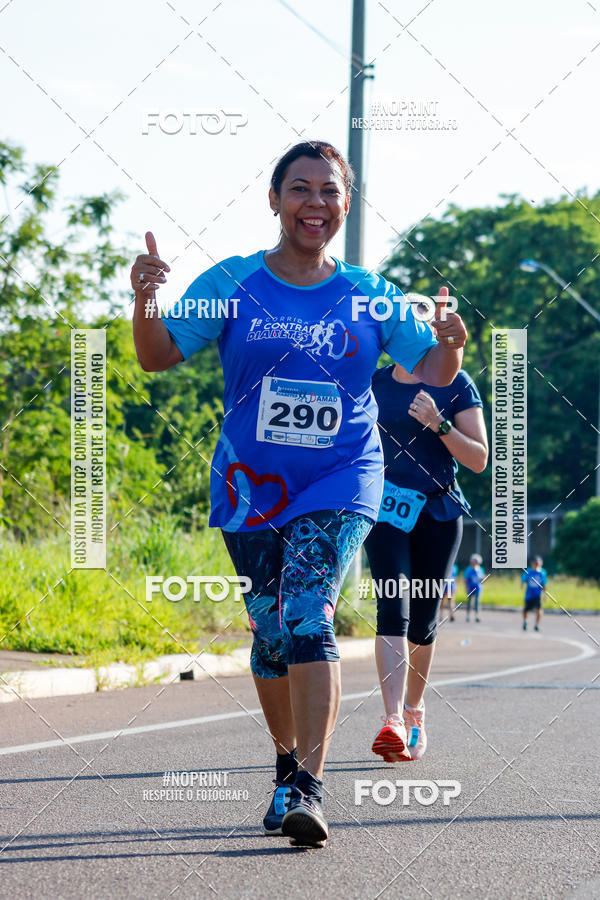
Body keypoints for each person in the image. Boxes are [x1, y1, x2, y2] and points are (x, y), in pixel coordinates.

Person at [130, 140, 468, 846]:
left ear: (346, 203)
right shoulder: (232, 282)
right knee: (270, 630)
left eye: (330, 191)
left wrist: (452, 343)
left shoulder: (371, 293)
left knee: (309, 612)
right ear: (275, 199)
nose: (316, 203)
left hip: (342, 474)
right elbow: (157, 356)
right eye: (301, 189)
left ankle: (310, 786)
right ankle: (286, 766)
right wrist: (146, 299)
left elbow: (436, 370)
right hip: (250, 484)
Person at [364, 363, 487, 763]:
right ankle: (392, 720)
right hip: (386, 514)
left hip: (438, 514)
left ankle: (414, 710)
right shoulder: (373, 381)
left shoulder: (456, 383)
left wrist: (439, 423)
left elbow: (479, 459)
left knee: (423, 621)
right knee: (392, 609)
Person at [522, 556, 547, 631]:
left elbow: (544, 584)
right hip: (529, 594)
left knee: (539, 609)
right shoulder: (529, 571)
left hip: (537, 594)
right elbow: (523, 579)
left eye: (537, 563)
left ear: (540, 564)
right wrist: (522, 584)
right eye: (534, 563)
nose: (535, 565)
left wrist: (545, 595)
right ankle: (525, 621)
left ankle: (536, 625)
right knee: (526, 610)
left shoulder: (542, 573)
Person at [464, 554, 485, 622]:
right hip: (470, 587)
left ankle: (477, 615)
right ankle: (468, 615)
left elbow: (482, 579)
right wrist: (466, 586)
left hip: (478, 588)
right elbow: (466, 579)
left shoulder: (481, 569)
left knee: (477, 602)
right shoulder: (469, 569)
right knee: (469, 602)